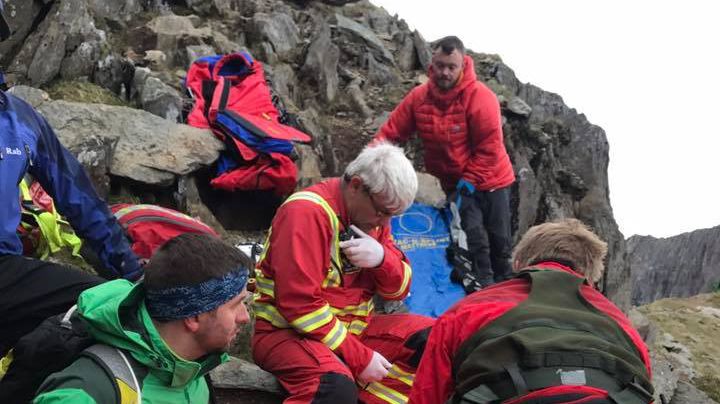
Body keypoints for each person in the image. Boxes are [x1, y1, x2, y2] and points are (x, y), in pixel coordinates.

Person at [0, 1, 141, 359]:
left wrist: (131, 272)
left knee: (107, 307)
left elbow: (79, 198)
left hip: (5, 272)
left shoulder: (20, 120)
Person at [252, 142, 435, 404]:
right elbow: (300, 306)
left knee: (434, 338)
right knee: (333, 388)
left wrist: (383, 259)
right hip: (287, 335)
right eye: (382, 212)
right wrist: (359, 357)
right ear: (357, 185)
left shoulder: (371, 219)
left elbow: (399, 289)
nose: (385, 223)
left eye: (392, 215)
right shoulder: (305, 212)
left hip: (352, 330)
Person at [409, 219, 654, 404]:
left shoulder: (468, 311)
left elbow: (427, 395)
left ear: (518, 264)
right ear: (591, 277)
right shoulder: (625, 330)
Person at [33, 233, 253, 403]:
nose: (245, 317)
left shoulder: (192, 368)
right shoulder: (83, 395)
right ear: (194, 317)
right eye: (236, 305)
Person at [374, 35, 515, 293]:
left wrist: (468, 184)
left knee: (500, 243)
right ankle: (484, 294)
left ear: (463, 65)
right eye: (440, 66)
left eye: (452, 67)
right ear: (432, 64)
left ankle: (507, 292)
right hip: (455, 183)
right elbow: (392, 131)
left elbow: (490, 148)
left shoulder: (481, 98)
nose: (445, 72)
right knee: (473, 240)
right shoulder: (419, 98)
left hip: (493, 181)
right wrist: (367, 163)